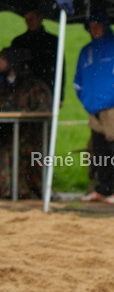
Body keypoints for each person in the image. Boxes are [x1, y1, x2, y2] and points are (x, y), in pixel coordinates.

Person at [74, 11, 114, 204]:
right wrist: (85, 97)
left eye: (98, 25)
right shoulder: (85, 51)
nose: (94, 29)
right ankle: (103, 189)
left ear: (105, 25)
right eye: (91, 26)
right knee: (100, 150)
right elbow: (78, 79)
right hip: (94, 109)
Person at [0, 47, 53, 199]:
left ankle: (15, 190)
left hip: (31, 137)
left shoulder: (35, 87)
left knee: (8, 149)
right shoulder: (4, 86)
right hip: (8, 133)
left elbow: (43, 114)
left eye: (2, 59)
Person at [11, 8, 64, 102]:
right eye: (26, 19)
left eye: (32, 18)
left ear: (40, 18)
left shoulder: (52, 41)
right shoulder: (18, 42)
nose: (29, 22)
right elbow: (12, 68)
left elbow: (60, 69)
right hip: (22, 92)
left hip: (47, 91)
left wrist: (59, 96)